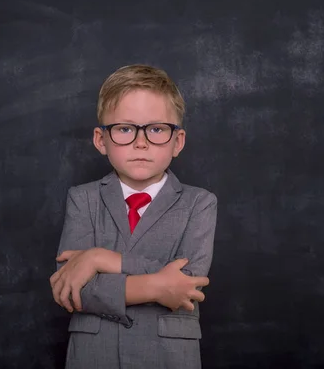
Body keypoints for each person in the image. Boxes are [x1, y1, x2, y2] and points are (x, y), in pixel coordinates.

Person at [49, 64, 218, 368]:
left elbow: (186, 285)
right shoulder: (83, 198)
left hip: (168, 357)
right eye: (125, 128)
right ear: (102, 140)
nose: (141, 142)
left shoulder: (199, 203)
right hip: (94, 356)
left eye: (156, 129)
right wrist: (157, 286)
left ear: (177, 141)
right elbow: (73, 289)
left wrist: (100, 258)